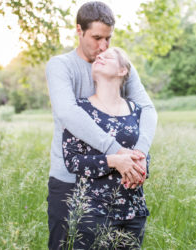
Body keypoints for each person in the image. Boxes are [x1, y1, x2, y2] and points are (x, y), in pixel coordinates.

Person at [45, 2, 157, 250]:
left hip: (113, 185)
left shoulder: (119, 67)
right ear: (79, 30)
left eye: (108, 38)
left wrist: (138, 155)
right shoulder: (61, 66)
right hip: (69, 180)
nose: (103, 46)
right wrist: (117, 151)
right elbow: (68, 113)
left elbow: (147, 109)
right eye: (96, 38)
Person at [63, 47, 150, 249]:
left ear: (122, 71)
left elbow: (143, 151)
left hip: (133, 212)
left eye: (108, 56)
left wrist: (140, 169)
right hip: (92, 213)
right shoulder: (79, 110)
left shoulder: (137, 111)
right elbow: (72, 161)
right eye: (98, 57)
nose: (99, 55)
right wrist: (114, 161)